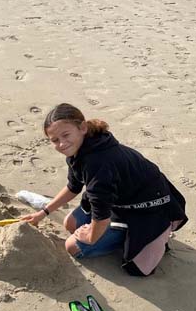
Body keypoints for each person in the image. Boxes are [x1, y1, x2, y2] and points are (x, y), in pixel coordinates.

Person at [21, 104, 187, 276]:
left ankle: (153, 235)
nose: (62, 144)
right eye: (55, 140)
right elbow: (73, 186)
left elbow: (101, 216)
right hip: (119, 199)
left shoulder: (98, 163)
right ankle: (117, 232)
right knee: (70, 224)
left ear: (83, 128)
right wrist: (43, 213)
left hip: (148, 209)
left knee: (74, 247)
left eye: (66, 135)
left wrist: (91, 236)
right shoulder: (81, 149)